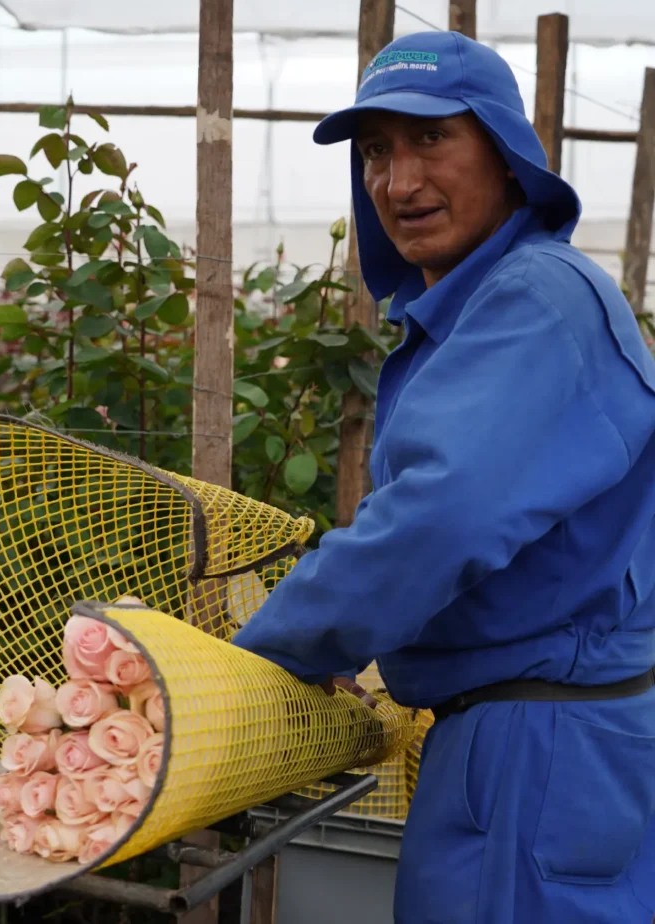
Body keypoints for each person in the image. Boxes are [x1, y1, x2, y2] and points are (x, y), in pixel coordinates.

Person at [231, 30, 655, 924]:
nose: (398, 179)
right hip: (521, 740)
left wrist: (262, 660)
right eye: (377, 150)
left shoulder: (537, 300)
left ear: (504, 155)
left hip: (541, 756)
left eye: (432, 139)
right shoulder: (479, 310)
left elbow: (438, 518)